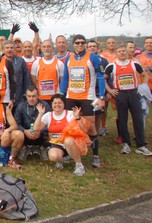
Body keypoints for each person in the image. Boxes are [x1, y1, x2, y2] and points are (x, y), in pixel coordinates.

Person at [60, 34, 106, 168]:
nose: (80, 45)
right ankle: (71, 152)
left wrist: (101, 97)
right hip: (71, 97)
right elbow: (65, 79)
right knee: (71, 126)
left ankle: (95, 155)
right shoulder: (68, 59)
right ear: (73, 44)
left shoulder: (93, 57)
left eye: (82, 43)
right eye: (77, 43)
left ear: (85, 44)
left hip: (88, 97)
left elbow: (101, 77)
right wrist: (62, 94)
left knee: (90, 127)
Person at [105, 44, 151, 155]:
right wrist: (110, 90)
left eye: (123, 51)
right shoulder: (111, 65)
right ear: (116, 53)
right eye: (119, 51)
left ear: (127, 52)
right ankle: (126, 144)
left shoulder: (134, 63)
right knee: (122, 119)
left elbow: (145, 74)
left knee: (138, 119)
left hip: (134, 93)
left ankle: (141, 145)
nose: (122, 53)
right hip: (121, 94)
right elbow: (103, 79)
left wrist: (142, 86)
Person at [33, 94, 91, 176]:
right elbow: (36, 129)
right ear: (51, 105)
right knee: (53, 157)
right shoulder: (48, 115)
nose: (57, 105)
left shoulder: (70, 114)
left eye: (59, 103)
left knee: (68, 141)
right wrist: (40, 114)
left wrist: (78, 118)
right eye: (55, 103)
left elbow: (85, 130)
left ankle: (79, 165)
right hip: (57, 144)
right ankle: (61, 159)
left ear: (64, 104)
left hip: (71, 143)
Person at [14, 86, 51, 161]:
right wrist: (24, 131)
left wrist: (40, 131)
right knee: (16, 132)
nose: (31, 99)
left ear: (38, 96)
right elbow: (16, 123)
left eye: (34, 96)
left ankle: (43, 148)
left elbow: (50, 122)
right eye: (29, 96)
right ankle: (24, 148)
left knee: (52, 131)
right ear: (26, 96)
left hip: (41, 134)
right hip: (26, 133)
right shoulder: (20, 106)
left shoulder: (45, 105)